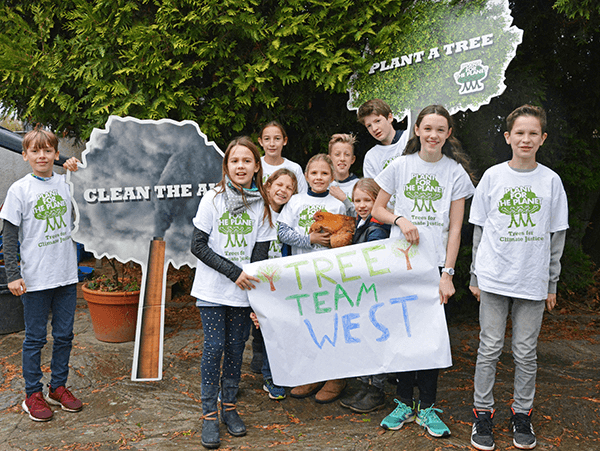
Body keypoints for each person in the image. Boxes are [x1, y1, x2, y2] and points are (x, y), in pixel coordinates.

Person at [372, 104, 475, 438]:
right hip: (400, 264)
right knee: (402, 334)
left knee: (430, 339)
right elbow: (377, 208)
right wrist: (400, 219)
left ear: (448, 134)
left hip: (433, 270)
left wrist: (448, 274)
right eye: (427, 128)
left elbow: (456, 230)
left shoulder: (455, 173)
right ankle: (403, 402)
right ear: (416, 130)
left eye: (440, 129)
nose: (433, 135)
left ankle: (427, 407)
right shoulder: (400, 166)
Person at [469, 105, 568, 451]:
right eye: (519, 133)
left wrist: (551, 284)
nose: (526, 139)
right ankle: (483, 414)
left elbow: (556, 237)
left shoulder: (551, 181)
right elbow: (479, 231)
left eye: (533, 133)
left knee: (525, 352)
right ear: (508, 137)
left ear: (542, 139)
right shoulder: (493, 178)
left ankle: (521, 413)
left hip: (532, 280)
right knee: (489, 348)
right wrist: (475, 276)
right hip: (495, 278)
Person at [190, 136, 275, 449]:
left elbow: (260, 257)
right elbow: (196, 245)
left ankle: (229, 408)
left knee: (236, 350)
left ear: (256, 166)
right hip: (213, 291)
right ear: (226, 166)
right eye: (234, 161)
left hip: (243, 294)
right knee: (214, 348)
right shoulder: (212, 199)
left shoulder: (263, 205)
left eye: (247, 161)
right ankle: (209, 414)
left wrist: (257, 300)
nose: (241, 166)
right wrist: (233, 272)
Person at [0, 128, 82, 422]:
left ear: (56, 155)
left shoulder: (66, 184)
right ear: (25, 156)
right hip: (34, 280)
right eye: (35, 151)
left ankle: (58, 388)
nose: (42, 156)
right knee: (35, 338)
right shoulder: (19, 190)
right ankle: (32, 394)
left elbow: (91, 190)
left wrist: (76, 169)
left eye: (48, 150)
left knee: (64, 336)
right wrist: (13, 275)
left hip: (66, 276)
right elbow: (9, 238)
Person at [277, 153, 347, 402]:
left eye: (324, 173)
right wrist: (309, 240)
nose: (319, 178)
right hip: (301, 274)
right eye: (314, 173)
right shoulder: (295, 201)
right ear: (306, 176)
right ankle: (313, 374)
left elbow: (346, 238)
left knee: (330, 324)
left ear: (332, 177)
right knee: (308, 325)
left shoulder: (337, 206)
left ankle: (335, 377)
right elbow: (282, 231)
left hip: (329, 276)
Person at [339, 178, 390, 413]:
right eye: (357, 200)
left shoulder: (377, 228)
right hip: (361, 293)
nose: (361, 205)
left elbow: (372, 261)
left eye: (367, 200)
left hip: (373, 294)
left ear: (377, 200)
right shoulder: (361, 223)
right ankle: (364, 385)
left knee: (374, 342)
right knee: (363, 341)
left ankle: (376, 390)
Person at [255, 168, 298, 401]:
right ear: (268, 185)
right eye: (279, 185)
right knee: (261, 330)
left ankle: (279, 373)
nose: (283, 191)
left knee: (279, 329)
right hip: (259, 279)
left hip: (282, 282)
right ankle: (268, 376)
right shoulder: (258, 212)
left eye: (289, 188)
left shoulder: (289, 216)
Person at [357, 99, 409, 179]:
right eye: (369, 126)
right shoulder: (371, 157)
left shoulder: (409, 138)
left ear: (390, 118)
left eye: (377, 121)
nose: (374, 129)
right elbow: (372, 190)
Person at [258, 121, 308, 195]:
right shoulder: (255, 166)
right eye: (267, 139)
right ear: (260, 141)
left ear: (284, 141)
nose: (272, 144)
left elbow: (303, 196)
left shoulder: (294, 168)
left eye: (277, 139)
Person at [328, 133, 359, 216]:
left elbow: (362, 219)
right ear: (330, 158)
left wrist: (344, 199)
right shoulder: (324, 185)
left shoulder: (359, 186)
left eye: (347, 155)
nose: (342, 159)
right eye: (337, 154)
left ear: (352, 159)